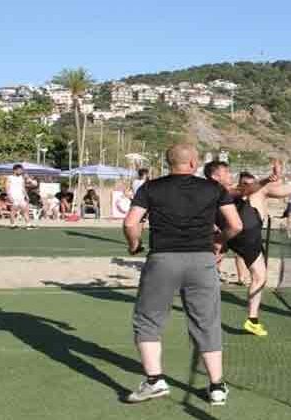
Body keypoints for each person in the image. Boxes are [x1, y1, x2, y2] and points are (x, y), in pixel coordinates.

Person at [123, 143, 243, 405]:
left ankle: (155, 381)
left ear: (169, 163)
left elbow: (131, 223)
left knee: (148, 321)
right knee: (207, 322)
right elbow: (235, 225)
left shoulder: (151, 187)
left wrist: (134, 245)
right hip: (202, 261)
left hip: (162, 259)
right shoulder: (213, 188)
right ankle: (217, 387)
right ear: (193, 164)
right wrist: (220, 241)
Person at [205, 160, 291, 337]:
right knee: (262, 190)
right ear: (215, 176)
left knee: (260, 276)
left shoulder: (215, 191)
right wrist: (268, 179)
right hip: (244, 229)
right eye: (226, 172)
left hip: (245, 235)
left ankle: (252, 320)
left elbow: (242, 192)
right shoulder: (217, 189)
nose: (230, 175)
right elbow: (245, 190)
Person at [5, 164, 33, 229]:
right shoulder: (9, 177)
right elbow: (7, 187)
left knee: (25, 210)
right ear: (15, 170)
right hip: (13, 196)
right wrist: (9, 196)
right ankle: (13, 225)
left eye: (21, 170)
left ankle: (28, 225)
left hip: (21, 196)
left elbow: (23, 187)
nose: (21, 171)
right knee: (13, 211)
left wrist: (26, 196)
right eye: (20, 170)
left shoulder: (21, 178)